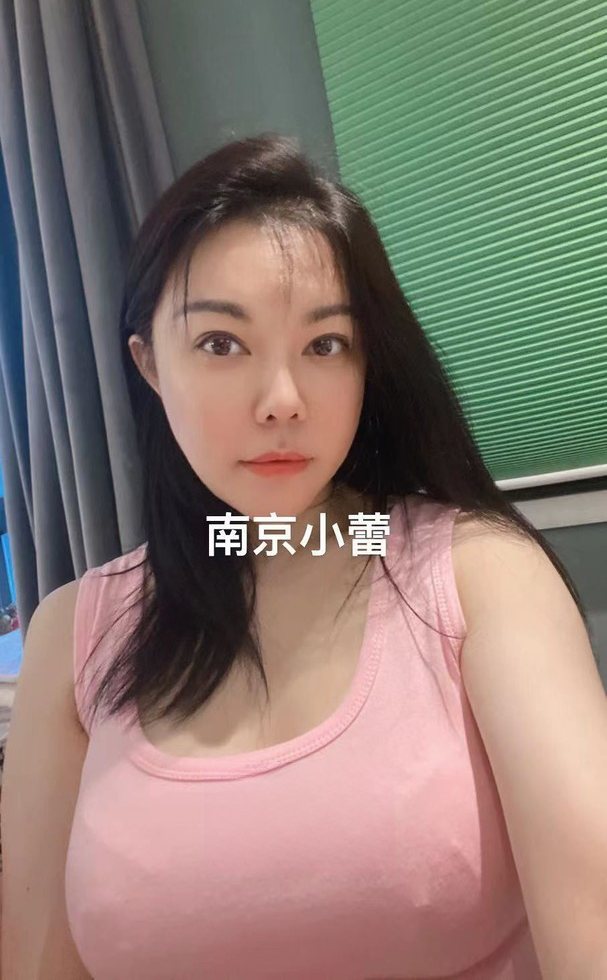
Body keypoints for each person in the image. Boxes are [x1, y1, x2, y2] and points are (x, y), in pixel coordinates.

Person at [0, 133, 597, 978]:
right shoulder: (75, 632)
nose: (281, 400)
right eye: (220, 343)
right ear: (149, 364)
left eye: (324, 345)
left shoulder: (476, 574)